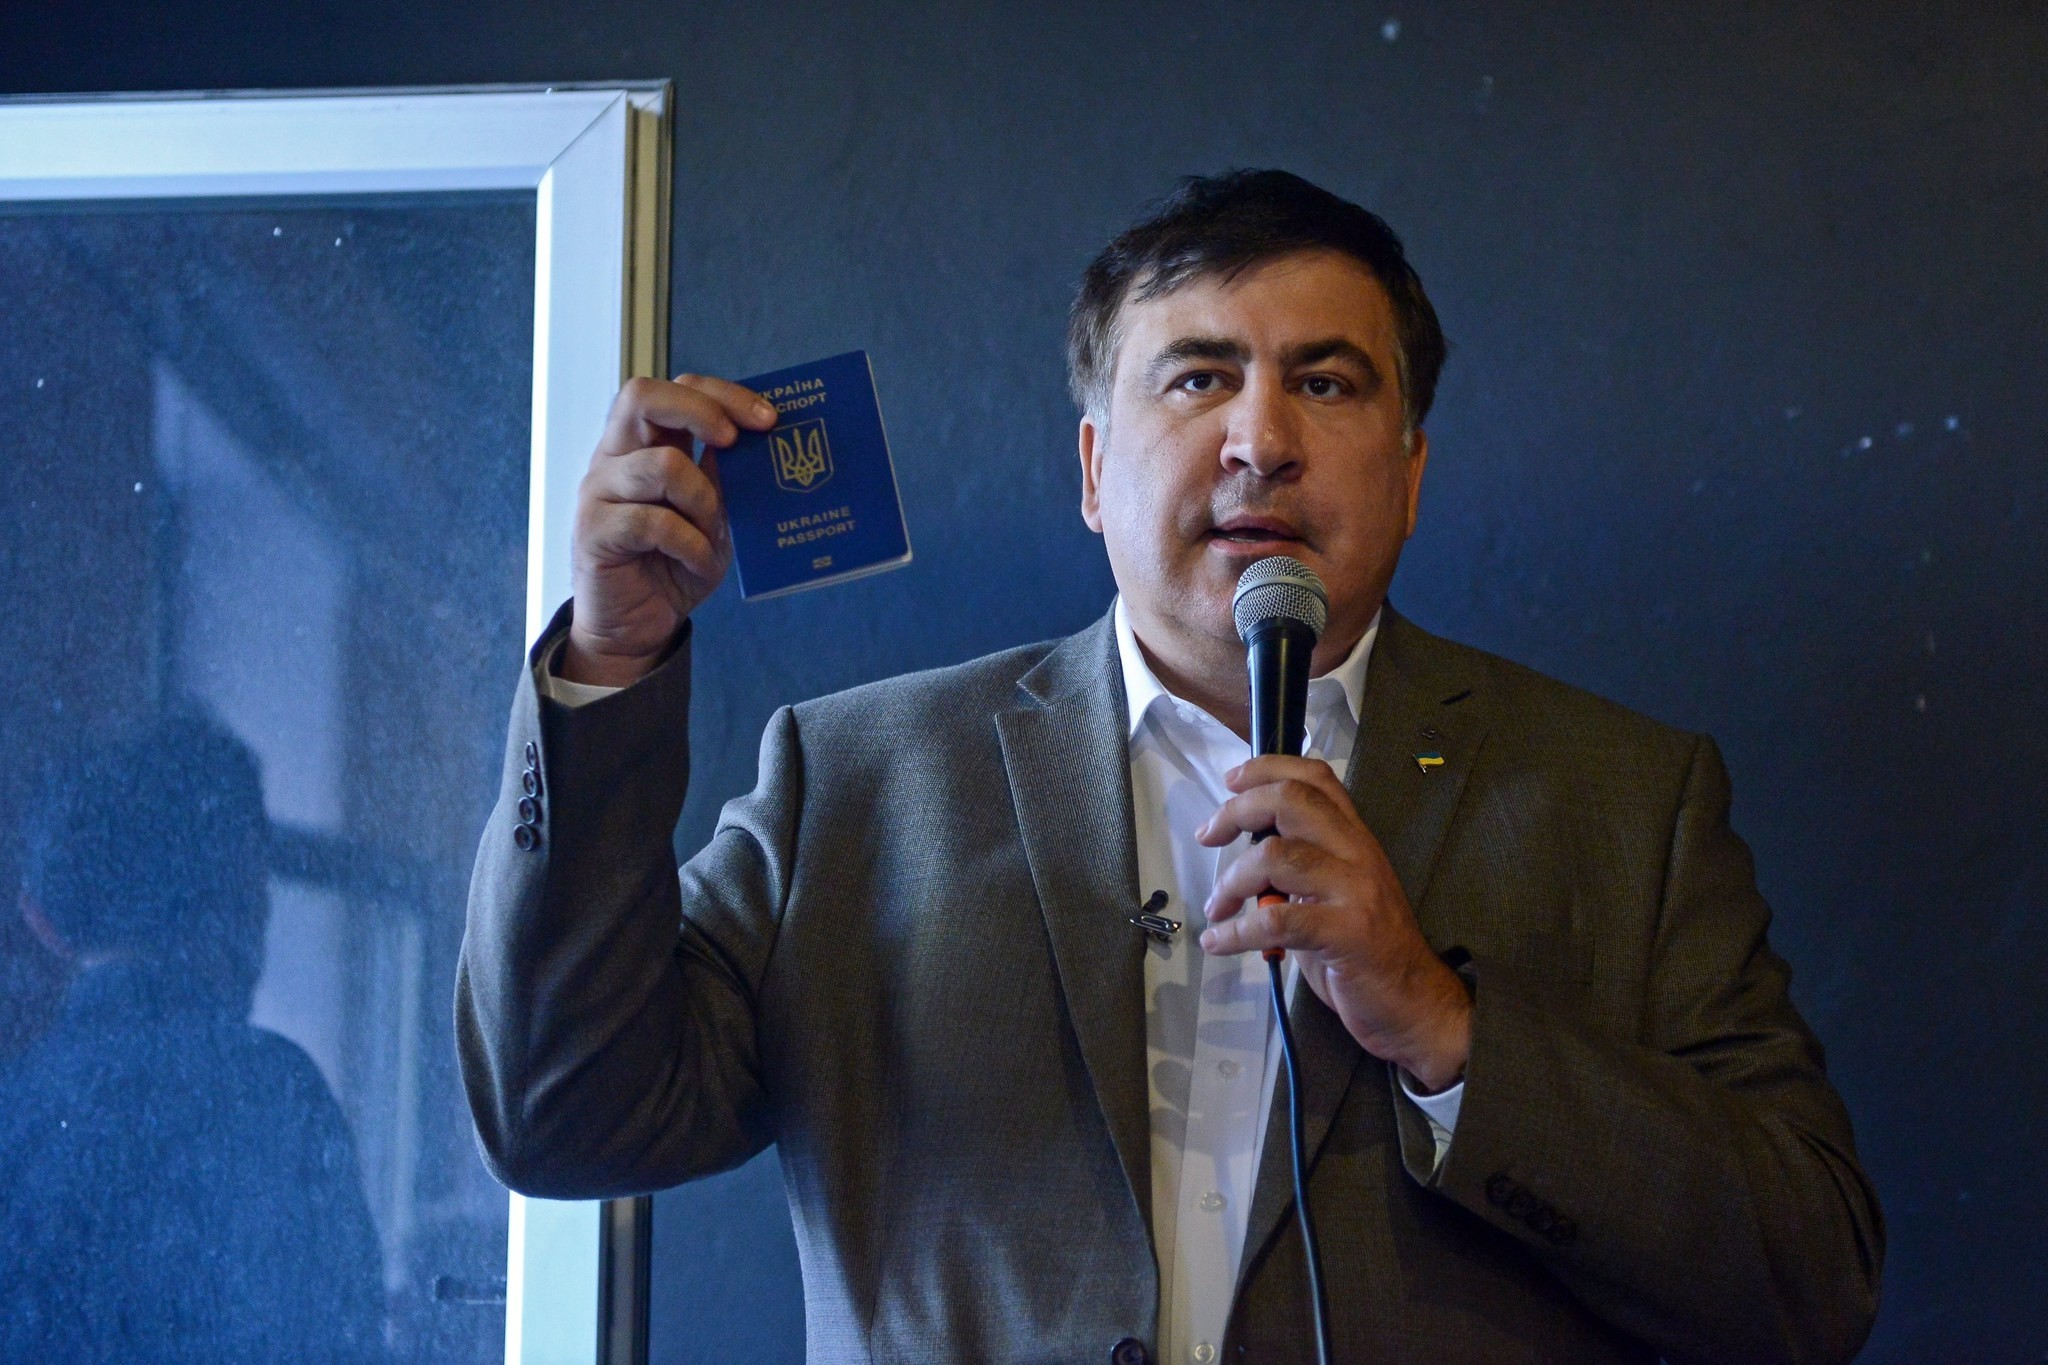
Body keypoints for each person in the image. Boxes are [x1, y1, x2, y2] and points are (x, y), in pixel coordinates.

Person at [458, 170, 1882, 1363]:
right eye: (1199, 376)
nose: (1259, 441)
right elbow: (564, 1113)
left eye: (1326, 383)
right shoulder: (858, 780)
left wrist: (1446, 1028)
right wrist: (611, 660)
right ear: (1092, 470)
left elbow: (1813, 1279)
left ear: (1412, 472)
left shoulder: (1625, 801)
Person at [0, 715, 386, 1363]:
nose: (261, 921)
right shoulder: (275, 1097)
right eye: (255, 883)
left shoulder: (17, 1112)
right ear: (234, 887)